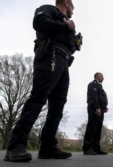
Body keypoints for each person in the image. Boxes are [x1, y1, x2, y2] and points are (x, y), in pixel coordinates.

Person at [4, 0, 82, 162]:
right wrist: (66, 26)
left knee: (58, 105)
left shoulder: (64, 21)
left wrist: (75, 42)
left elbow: (68, 43)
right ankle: (15, 146)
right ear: (67, 3)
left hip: (63, 62)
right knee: (38, 98)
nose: (73, 12)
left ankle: (47, 147)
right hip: (50, 56)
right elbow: (38, 22)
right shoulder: (49, 10)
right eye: (72, 8)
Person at [83, 72, 108, 155]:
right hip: (94, 109)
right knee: (92, 127)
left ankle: (95, 148)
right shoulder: (93, 84)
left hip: (100, 109)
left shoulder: (100, 86)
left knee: (98, 128)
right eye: (101, 76)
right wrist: (97, 107)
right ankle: (87, 148)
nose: (103, 77)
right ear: (96, 77)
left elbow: (101, 97)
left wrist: (104, 107)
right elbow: (93, 96)